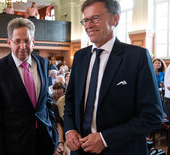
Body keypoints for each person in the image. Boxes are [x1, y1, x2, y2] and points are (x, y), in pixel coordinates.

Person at [64, 0, 163, 154]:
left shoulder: (137, 57)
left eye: (95, 18)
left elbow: (152, 116)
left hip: (121, 149)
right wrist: (69, 129)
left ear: (115, 19)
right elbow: (70, 100)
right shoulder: (79, 57)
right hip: (81, 149)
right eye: (85, 20)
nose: (88, 25)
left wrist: (105, 139)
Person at [0, 17, 58, 155]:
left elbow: (46, 101)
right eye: (17, 41)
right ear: (9, 42)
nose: (23, 46)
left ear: (33, 41)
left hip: (44, 142)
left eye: (27, 41)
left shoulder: (43, 63)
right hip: (13, 146)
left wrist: (54, 133)